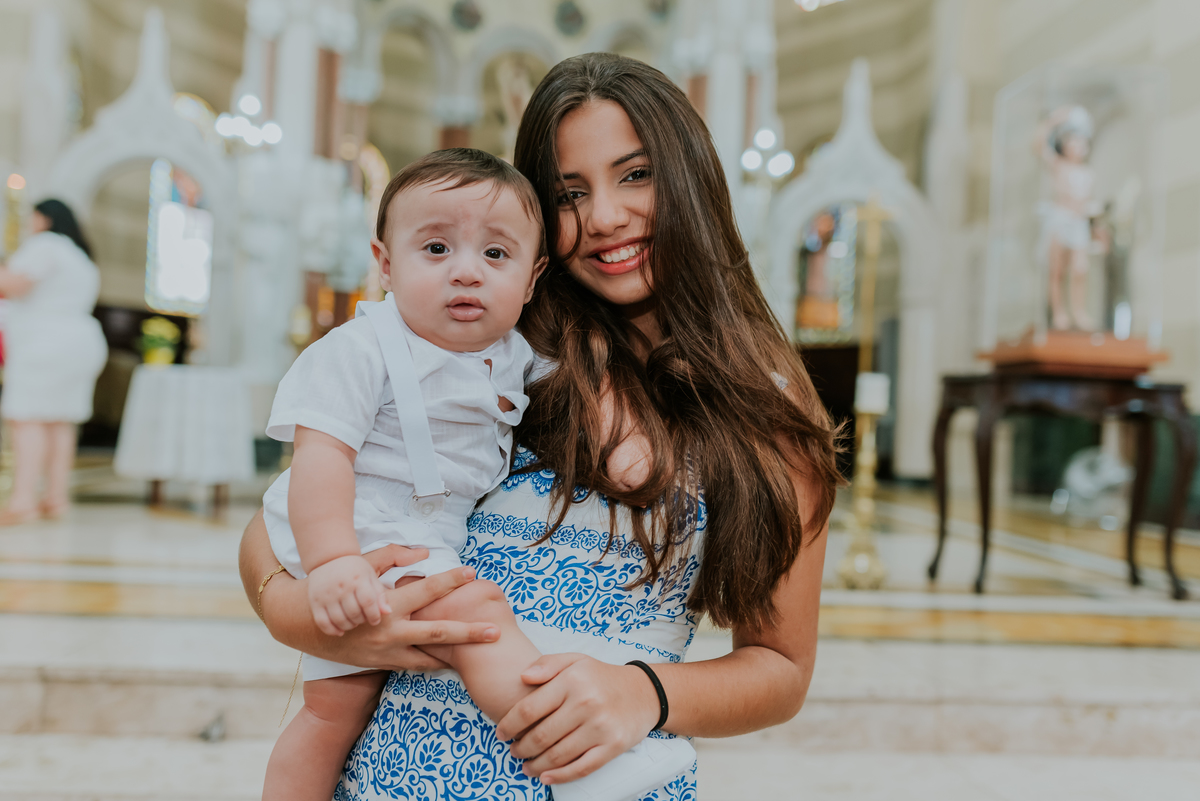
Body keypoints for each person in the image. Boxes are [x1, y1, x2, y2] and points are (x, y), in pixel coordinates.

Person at [240, 52, 839, 800]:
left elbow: (780, 670)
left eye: (636, 174)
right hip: (391, 776)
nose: (605, 217)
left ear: (692, 178)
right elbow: (275, 527)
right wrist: (302, 613)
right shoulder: (494, 353)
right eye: (569, 193)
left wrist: (643, 692)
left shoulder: (767, 417)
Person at [261, 148, 694, 801]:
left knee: (331, 713)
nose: (466, 271)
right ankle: (577, 756)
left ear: (532, 277)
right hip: (359, 533)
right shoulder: (360, 349)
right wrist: (332, 562)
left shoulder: (514, 353)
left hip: (414, 539)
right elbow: (320, 458)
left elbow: (596, 396)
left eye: (495, 255)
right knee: (479, 613)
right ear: (385, 263)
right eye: (436, 249)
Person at [0, 199, 107, 524]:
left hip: (46, 343)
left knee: (27, 418)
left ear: (44, 218)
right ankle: (55, 498)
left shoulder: (46, 244)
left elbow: (12, 285)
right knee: (61, 420)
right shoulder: (82, 256)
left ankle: (22, 501)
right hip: (81, 342)